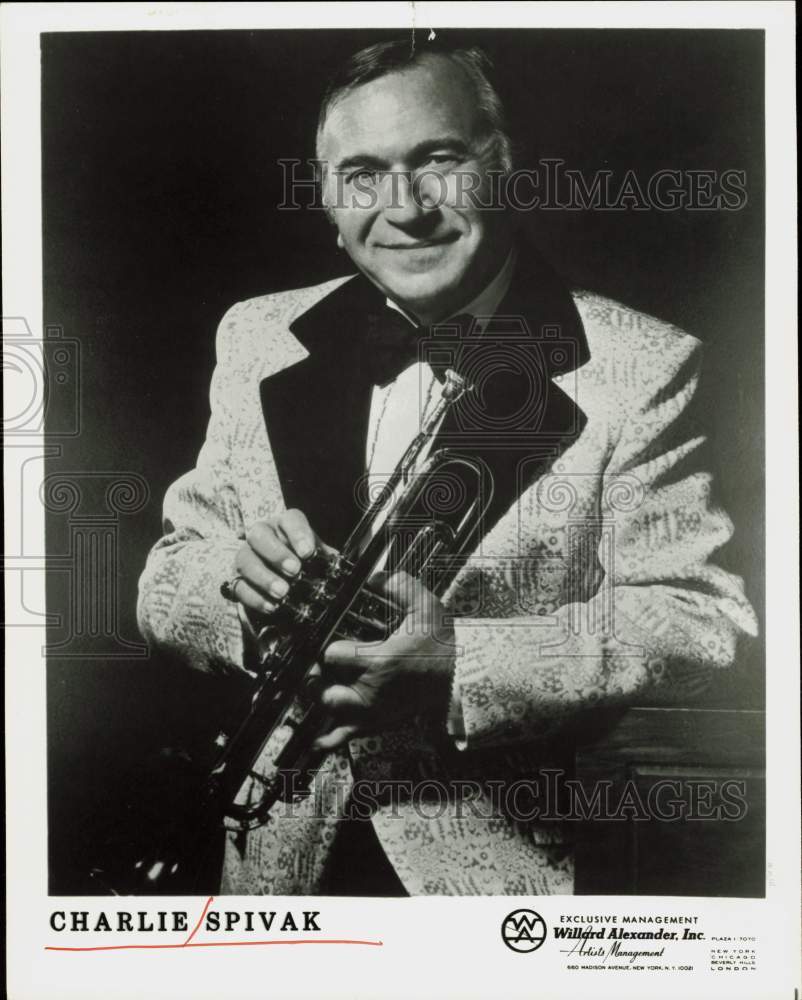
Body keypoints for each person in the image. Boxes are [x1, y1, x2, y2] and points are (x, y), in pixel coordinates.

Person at [136, 38, 758, 895]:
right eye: (361, 174)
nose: (405, 208)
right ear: (325, 197)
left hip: (506, 886)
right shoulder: (256, 336)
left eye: (439, 160)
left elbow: (702, 628)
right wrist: (240, 596)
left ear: (508, 167)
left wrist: (459, 664)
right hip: (278, 868)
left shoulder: (644, 364)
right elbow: (167, 582)